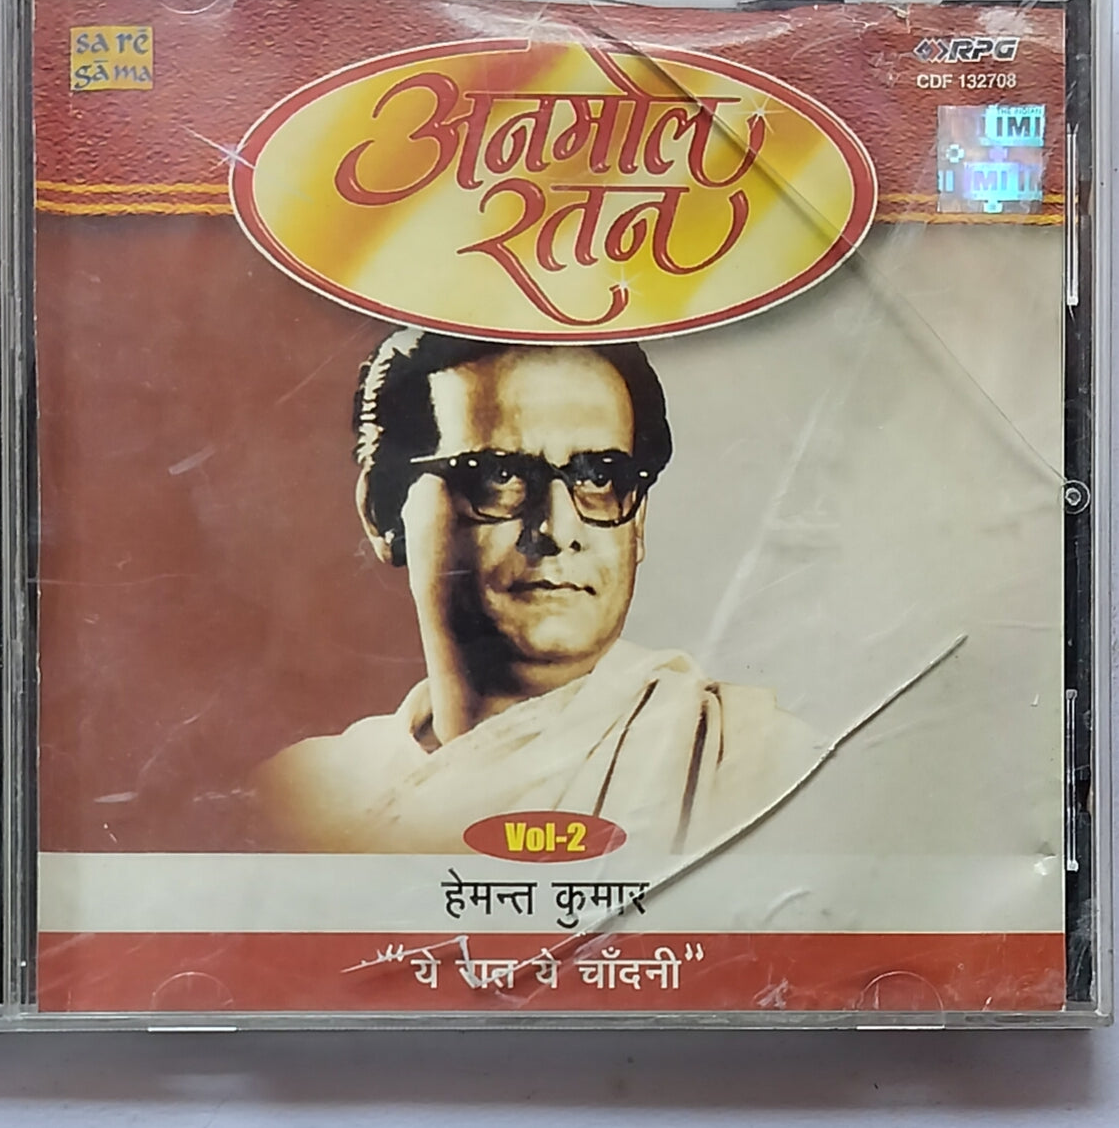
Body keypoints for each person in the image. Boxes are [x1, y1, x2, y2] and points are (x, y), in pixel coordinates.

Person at [252, 328, 829, 854]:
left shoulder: (753, 765)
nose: (556, 528)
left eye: (599, 477)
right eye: (499, 475)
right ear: (385, 514)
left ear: (639, 523)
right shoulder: (302, 800)